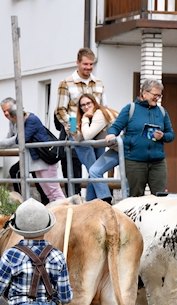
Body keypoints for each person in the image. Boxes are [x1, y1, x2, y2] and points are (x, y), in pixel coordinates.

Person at [105, 79, 174, 197]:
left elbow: (171, 135)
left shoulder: (162, 112)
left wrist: (162, 136)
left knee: (161, 197)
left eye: (159, 95)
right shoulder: (130, 109)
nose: (157, 98)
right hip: (134, 162)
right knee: (135, 197)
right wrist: (111, 134)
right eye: (155, 95)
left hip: (157, 163)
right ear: (144, 93)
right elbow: (116, 126)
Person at [55, 47, 107, 201]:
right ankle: (105, 197)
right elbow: (60, 109)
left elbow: (103, 107)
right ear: (78, 63)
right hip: (77, 131)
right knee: (93, 166)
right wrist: (70, 125)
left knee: (97, 168)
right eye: (85, 64)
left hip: (97, 130)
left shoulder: (99, 82)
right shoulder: (66, 83)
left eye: (91, 64)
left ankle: (93, 201)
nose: (88, 68)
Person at [0, 104, 65, 203]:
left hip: (46, 159)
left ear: (16, 117)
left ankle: (64, 210)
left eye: (14, 120)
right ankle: (57, 212)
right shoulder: (26, 121)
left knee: (54, 190)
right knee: (49, 192)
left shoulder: (31, 120)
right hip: (39, 160)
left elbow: (20, 139)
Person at [73, 94, 115, 203]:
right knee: (94, 171)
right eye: (83, 105)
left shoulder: (99, 113)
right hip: (115, 150)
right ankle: (100, 201)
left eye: (88, 104)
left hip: (127, 148)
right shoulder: (91, 117)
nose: (86, 107)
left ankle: (103, 201)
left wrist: (85, 118)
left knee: (93, 170)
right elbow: (83, 137)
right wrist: (73, 133)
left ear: (94, 103)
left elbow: (88, 135)